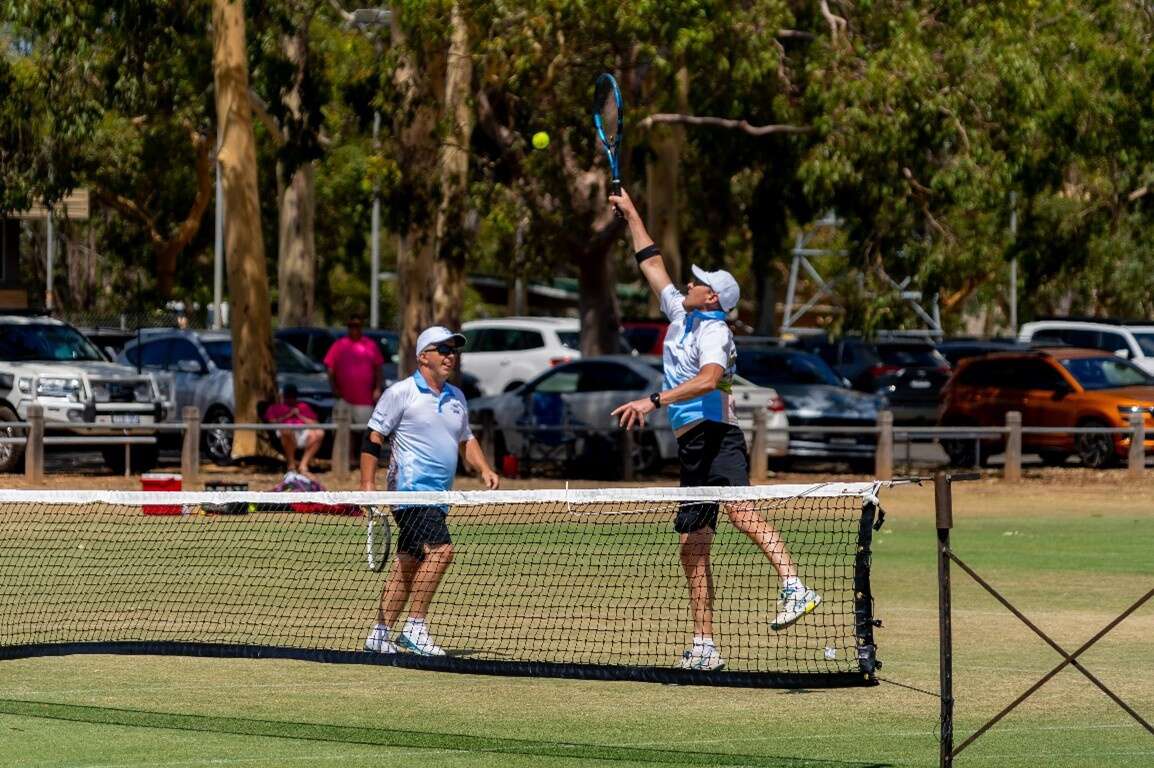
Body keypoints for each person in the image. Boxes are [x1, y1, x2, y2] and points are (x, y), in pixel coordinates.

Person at [609, 188, 821, 672]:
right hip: (691, 444)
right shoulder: (682, 314)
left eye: (699, 282)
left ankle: (795, 586)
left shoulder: (714, 330)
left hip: (716, 433)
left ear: (712, 298)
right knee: (692, 542)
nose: (689, 282)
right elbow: (651, 262)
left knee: (742, 513)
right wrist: (632, 213)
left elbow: (708, 379)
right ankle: (705, 643)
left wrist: (654, 399)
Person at [361, 325, 500, 657]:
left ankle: (379, 635)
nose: (451, 356)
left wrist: (483, 468)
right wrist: (367, 485)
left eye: (454, 350)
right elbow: (373, 437)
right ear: (424, 356)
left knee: (408, 562)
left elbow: (466, 439)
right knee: (441, 552)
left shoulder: (457, 397)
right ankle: (415, 627)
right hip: (409, 491)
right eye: (444, 349)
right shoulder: (401, 393)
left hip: (439, 496)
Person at [324, 312, 385, 429]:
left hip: (365, 401)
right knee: (342, 434)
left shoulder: (370, 345)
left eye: (357, 326)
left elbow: (378, 369)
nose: (354, 329)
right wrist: (334, 388)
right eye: (351, 326)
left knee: (363, 432)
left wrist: (377, 388)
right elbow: (330, 369)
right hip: (343, 400)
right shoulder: (338, 345)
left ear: (361, 326)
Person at [264, 383, 324, 478]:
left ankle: (303, 466)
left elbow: (315, 423)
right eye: (288, 396)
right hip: (285, 431)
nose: (290, 399)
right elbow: (271, 422)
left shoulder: (303, 406)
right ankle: (291, 466)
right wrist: (288, 415)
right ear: (283, 396)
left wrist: (300, 415)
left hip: (302, 431)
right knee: (287, 430)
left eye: (292, 396)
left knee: (319, 433)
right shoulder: (274, 407)